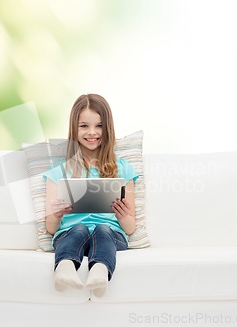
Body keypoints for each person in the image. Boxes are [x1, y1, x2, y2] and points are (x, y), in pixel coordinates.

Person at [43, 94, 138, 297]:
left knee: (102, 229)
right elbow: (51, 228)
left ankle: (100, 272)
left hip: (111, 236)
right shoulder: (59, 171)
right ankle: (64, 269)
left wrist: (123, 216)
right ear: (74, 129)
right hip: (70, 234)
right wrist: (57, 214)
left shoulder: (122, 169)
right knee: (79, 228)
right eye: (84, 126)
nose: (92, 133)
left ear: (108, 129)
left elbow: (130, 228)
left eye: (99, 126)